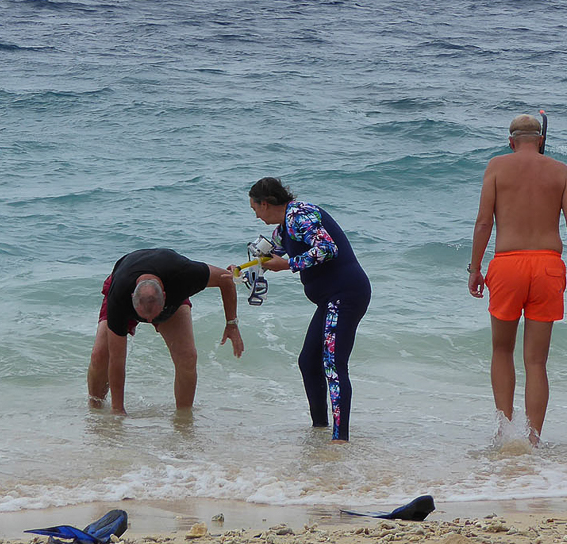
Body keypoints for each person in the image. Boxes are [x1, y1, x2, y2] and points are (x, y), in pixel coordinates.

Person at [467, 114, 567, 446]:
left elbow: (483, 223)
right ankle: (533, 439)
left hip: (507, 265)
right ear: (540, 140)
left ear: (511, 142)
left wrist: (475, 268)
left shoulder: (496, 167)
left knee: (501, 349)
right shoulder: (560, 171)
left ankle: (504, 432)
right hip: (548, 267)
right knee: (536, 360)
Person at [246, 177, 371, 443]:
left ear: (265, 203)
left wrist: (289, 263)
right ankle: (319, 428)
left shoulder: (298, 215)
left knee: (334, 366)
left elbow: (327, 248)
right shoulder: (283, 229)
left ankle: (340, 439)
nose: (255, 215)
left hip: (345, 294)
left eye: (255, 208)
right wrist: (245, 269)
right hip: (330, 299)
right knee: (307, 362)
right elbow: (272, 255)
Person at [87, 248, 243, 415]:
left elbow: (226, 280)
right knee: (101, 356)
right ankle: (95, 412)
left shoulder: (184, 273)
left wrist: (231, 324)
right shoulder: (120, 295)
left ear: (165, 295)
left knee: (187, 357)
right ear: (132, 297)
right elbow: (117, 360)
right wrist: (118, 410)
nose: (149, 322)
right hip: (123, 286)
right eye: (144, 317)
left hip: (171, 289)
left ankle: (184, 418)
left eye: (154, 316)